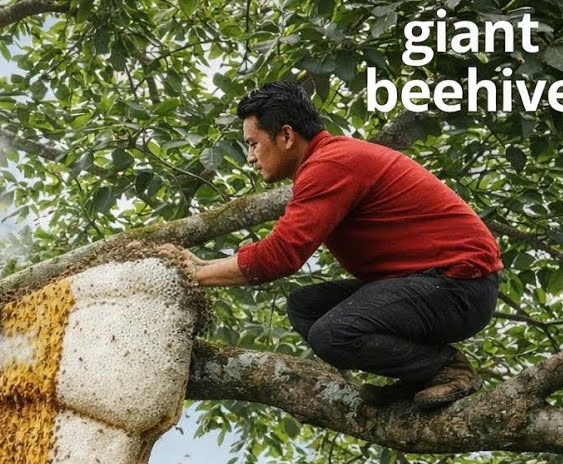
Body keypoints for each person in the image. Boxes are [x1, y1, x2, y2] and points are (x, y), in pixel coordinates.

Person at [159, 81, 501, 409]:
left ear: (287, 136)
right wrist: (200, 268)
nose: (250, 157)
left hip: (459, 286)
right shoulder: (325, 162)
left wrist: (193, 275)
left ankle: (446, 368)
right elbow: (282, 249)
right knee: (306, 307)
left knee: (333, 333)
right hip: (431, 282)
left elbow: (281, 256)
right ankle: (419, 375)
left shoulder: (331, 164)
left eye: (252, 144)